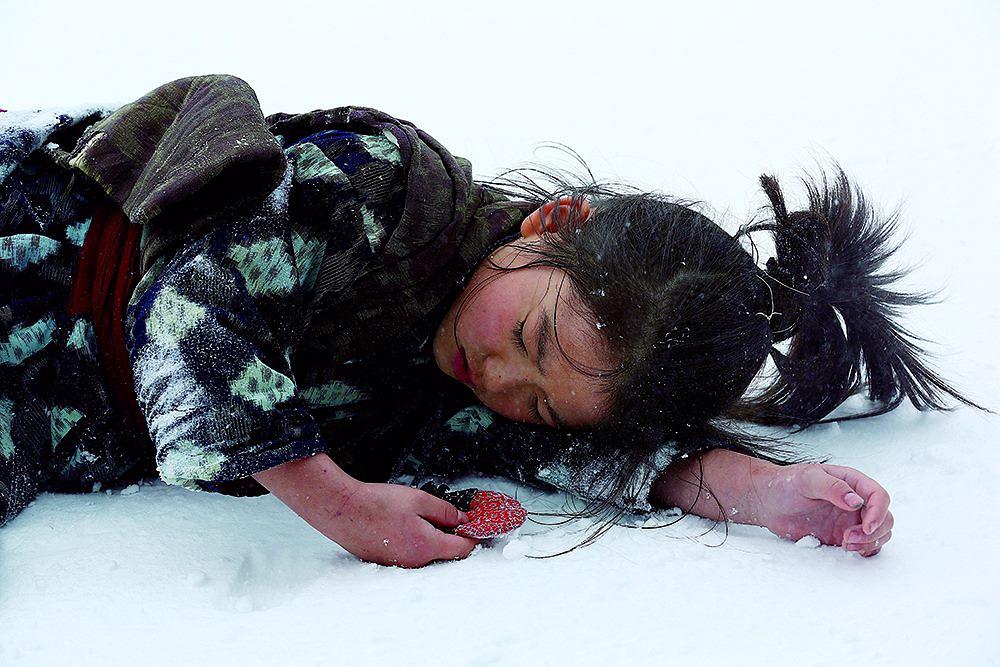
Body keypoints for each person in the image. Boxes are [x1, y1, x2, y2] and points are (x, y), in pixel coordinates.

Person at [0, 75, 983, 568]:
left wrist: (769, 491)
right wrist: (340, 502)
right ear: (551, 226)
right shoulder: (386, 190)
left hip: (48, 411)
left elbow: (615, 459)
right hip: (42, 259)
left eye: (543, 402)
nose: (505, 380)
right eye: (531, 338)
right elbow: (192, 307)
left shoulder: (471, 398)